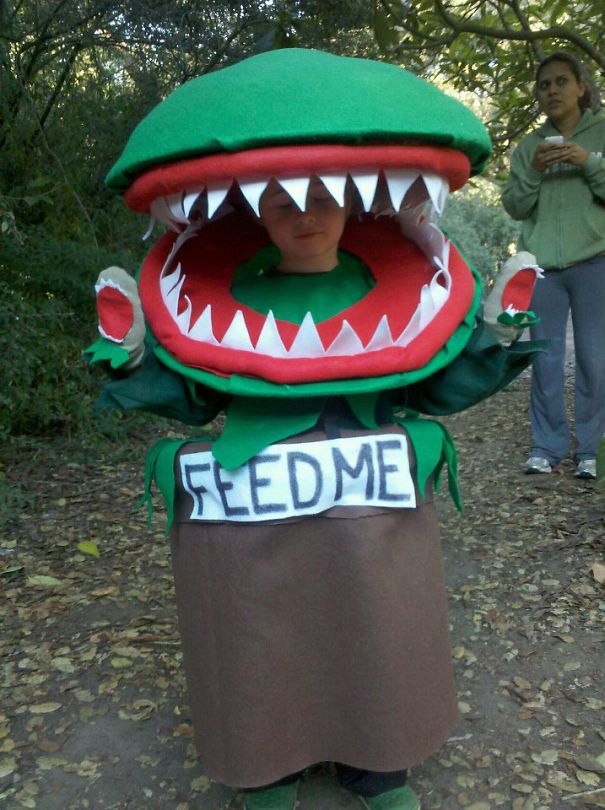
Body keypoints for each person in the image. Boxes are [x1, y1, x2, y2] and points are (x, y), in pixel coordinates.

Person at [87, 49, 545, 810]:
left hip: (369, 514)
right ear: (256, 213)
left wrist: (494, 337)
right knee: (254, 632)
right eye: (277, 202)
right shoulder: (217, 303)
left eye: (317, 199)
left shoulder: (403, 293)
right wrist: (134, 359)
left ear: (350, 205)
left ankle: (379, 763)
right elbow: (194, 400)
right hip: (249, 514)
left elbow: (439, 381)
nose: (300, 216)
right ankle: (265, 768)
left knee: (378, 623)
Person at [502, 51, 605, 479]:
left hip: (595, 260)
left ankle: (589, 450)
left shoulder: (601, 133)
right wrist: (535, 173)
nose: (552, 91)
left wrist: (588, 162)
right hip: (542, 266)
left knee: (595, 358)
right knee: (543, 358)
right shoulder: (529, 146)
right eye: (544, 86)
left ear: (581, 86)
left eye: (561, 82)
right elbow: (514, 205)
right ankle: (547, 446)